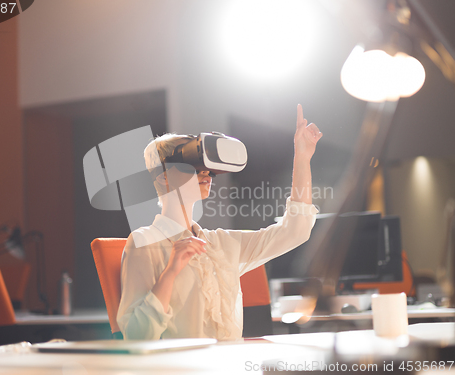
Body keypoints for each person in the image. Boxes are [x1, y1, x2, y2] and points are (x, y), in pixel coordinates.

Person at [116, 104, 322, 340]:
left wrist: (302, 157)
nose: (206, 173)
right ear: (164, 179)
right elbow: (136, 336)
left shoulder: (222, 244)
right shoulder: (144, 242)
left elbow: (295, 231)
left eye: (206, 166)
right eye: (193, 165)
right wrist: (171, 271)